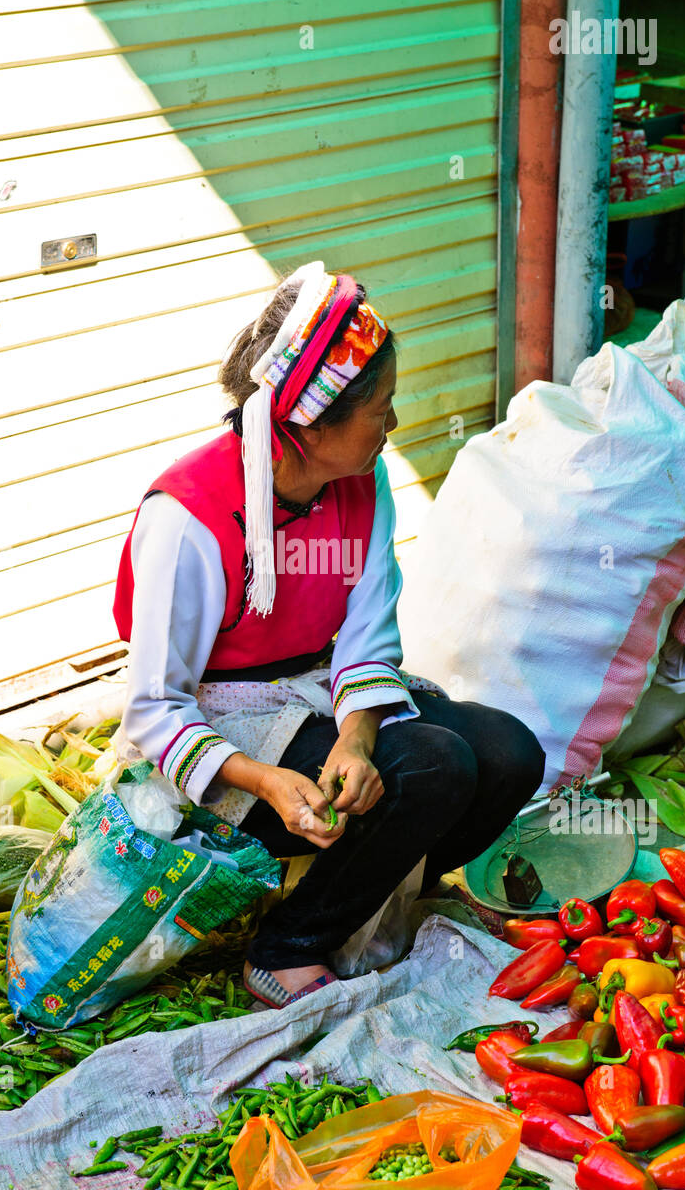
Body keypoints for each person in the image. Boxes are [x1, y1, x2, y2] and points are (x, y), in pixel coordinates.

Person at [114, 263, 545, 1008]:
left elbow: (367, 634)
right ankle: (288, 945)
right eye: (381, 411)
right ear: (310, 426)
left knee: (509, 755)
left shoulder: (360, 480)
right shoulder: (187, 518)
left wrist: (354, 738)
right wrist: (264, 779)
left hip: (315, 691)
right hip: (218, 729)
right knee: (434, 768)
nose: (394, 426)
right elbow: (155, 709)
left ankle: (370, 889)